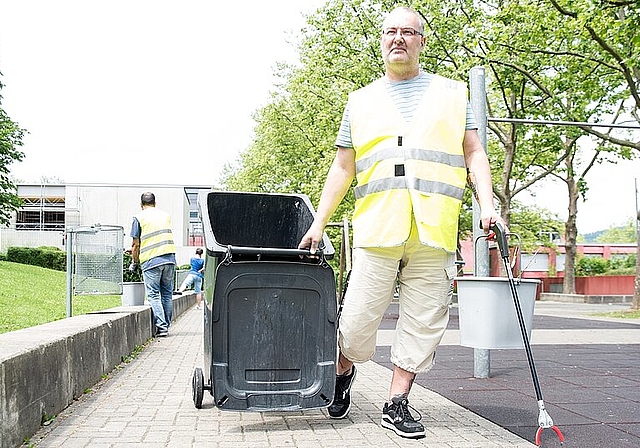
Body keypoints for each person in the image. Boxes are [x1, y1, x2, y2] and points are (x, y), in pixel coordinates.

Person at [298, 6, 507, 440]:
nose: (399, 38)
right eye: (391, 31)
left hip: (434, 227)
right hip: (377, 227)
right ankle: (343, 369)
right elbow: (343, 167)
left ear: (422, 42)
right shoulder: (361, 101)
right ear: (381, 40)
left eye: (408, 32)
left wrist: (488, 204)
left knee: (425, 320)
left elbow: (474, 154)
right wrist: (319, 222)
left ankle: (397, 401)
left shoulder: (453, 95)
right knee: (355, 323)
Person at [128, 192, 177, 337]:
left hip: (151, 260)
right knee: (167, 294)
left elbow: (135, 245)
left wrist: (134, 261)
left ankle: (162, 328)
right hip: (169, 258)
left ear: (141, 205)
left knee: (154, 295)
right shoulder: (165, 215)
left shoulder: (138, 217)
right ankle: (166, 325)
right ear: (155, 203)